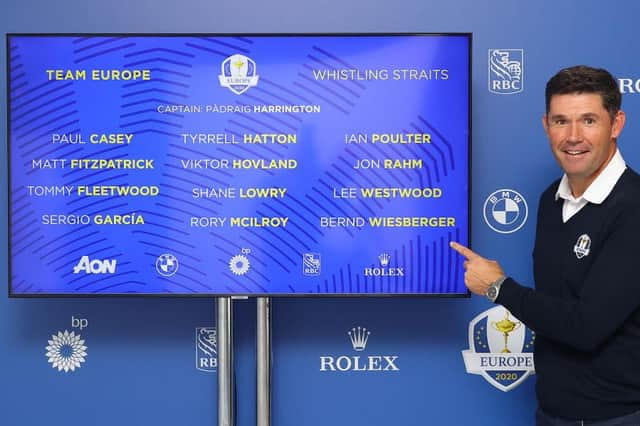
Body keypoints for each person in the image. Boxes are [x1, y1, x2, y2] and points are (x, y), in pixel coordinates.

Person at [451, 65, 640, 426]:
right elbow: (556, 306)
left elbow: (585, 326)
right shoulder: (549, 202)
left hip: (617, 417)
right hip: (553, 413)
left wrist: (497, 287)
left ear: (616, 125)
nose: (572, 136)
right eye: (560, 121)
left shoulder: (634, 208)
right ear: (545, 125)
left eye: (588, 120)